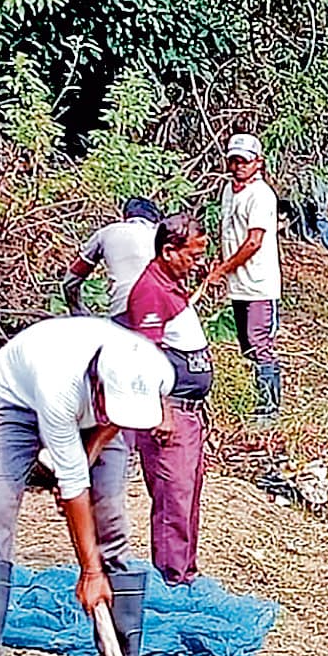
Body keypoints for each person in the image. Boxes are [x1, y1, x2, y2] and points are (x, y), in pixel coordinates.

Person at [0, 317, 176, 656]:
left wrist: (90, 451)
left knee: (112, 519)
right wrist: (89, 572)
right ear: (98, 386)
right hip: (13, 405)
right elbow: (73, 488)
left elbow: (117, 420)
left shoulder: (154, 369)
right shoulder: (60, 383)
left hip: (87, 416)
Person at [117, 214, 214, 585]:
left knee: (187, 495)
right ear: (168, 251)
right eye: (192, 254)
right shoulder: (150, 290)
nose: (198, 262)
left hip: (189, 411)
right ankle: (172, 576)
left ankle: (185, 571)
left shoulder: (170, 286)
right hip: (170, 412)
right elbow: (147, 354)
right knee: (173, 497)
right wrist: (162, 411)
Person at [203, 133, 283, 439]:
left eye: (243, 161)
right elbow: (229, 233)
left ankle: (268, 409)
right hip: (238, 283)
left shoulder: (261, 196)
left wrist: (222, 270)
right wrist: (217, 264)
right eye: (233, 160)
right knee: (248, 346)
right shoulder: (229, 191)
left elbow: (254, 242)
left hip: (260, 285)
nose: (237, 166)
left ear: (258, 163)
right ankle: (259, 402)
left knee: (260, 342)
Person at [63, 196, 164, 318]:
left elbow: (71, 281)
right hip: (166, 310)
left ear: (125, 217)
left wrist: (79, 312)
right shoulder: (164, 238)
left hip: (123, 309)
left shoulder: (108, 232)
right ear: (157, 220)